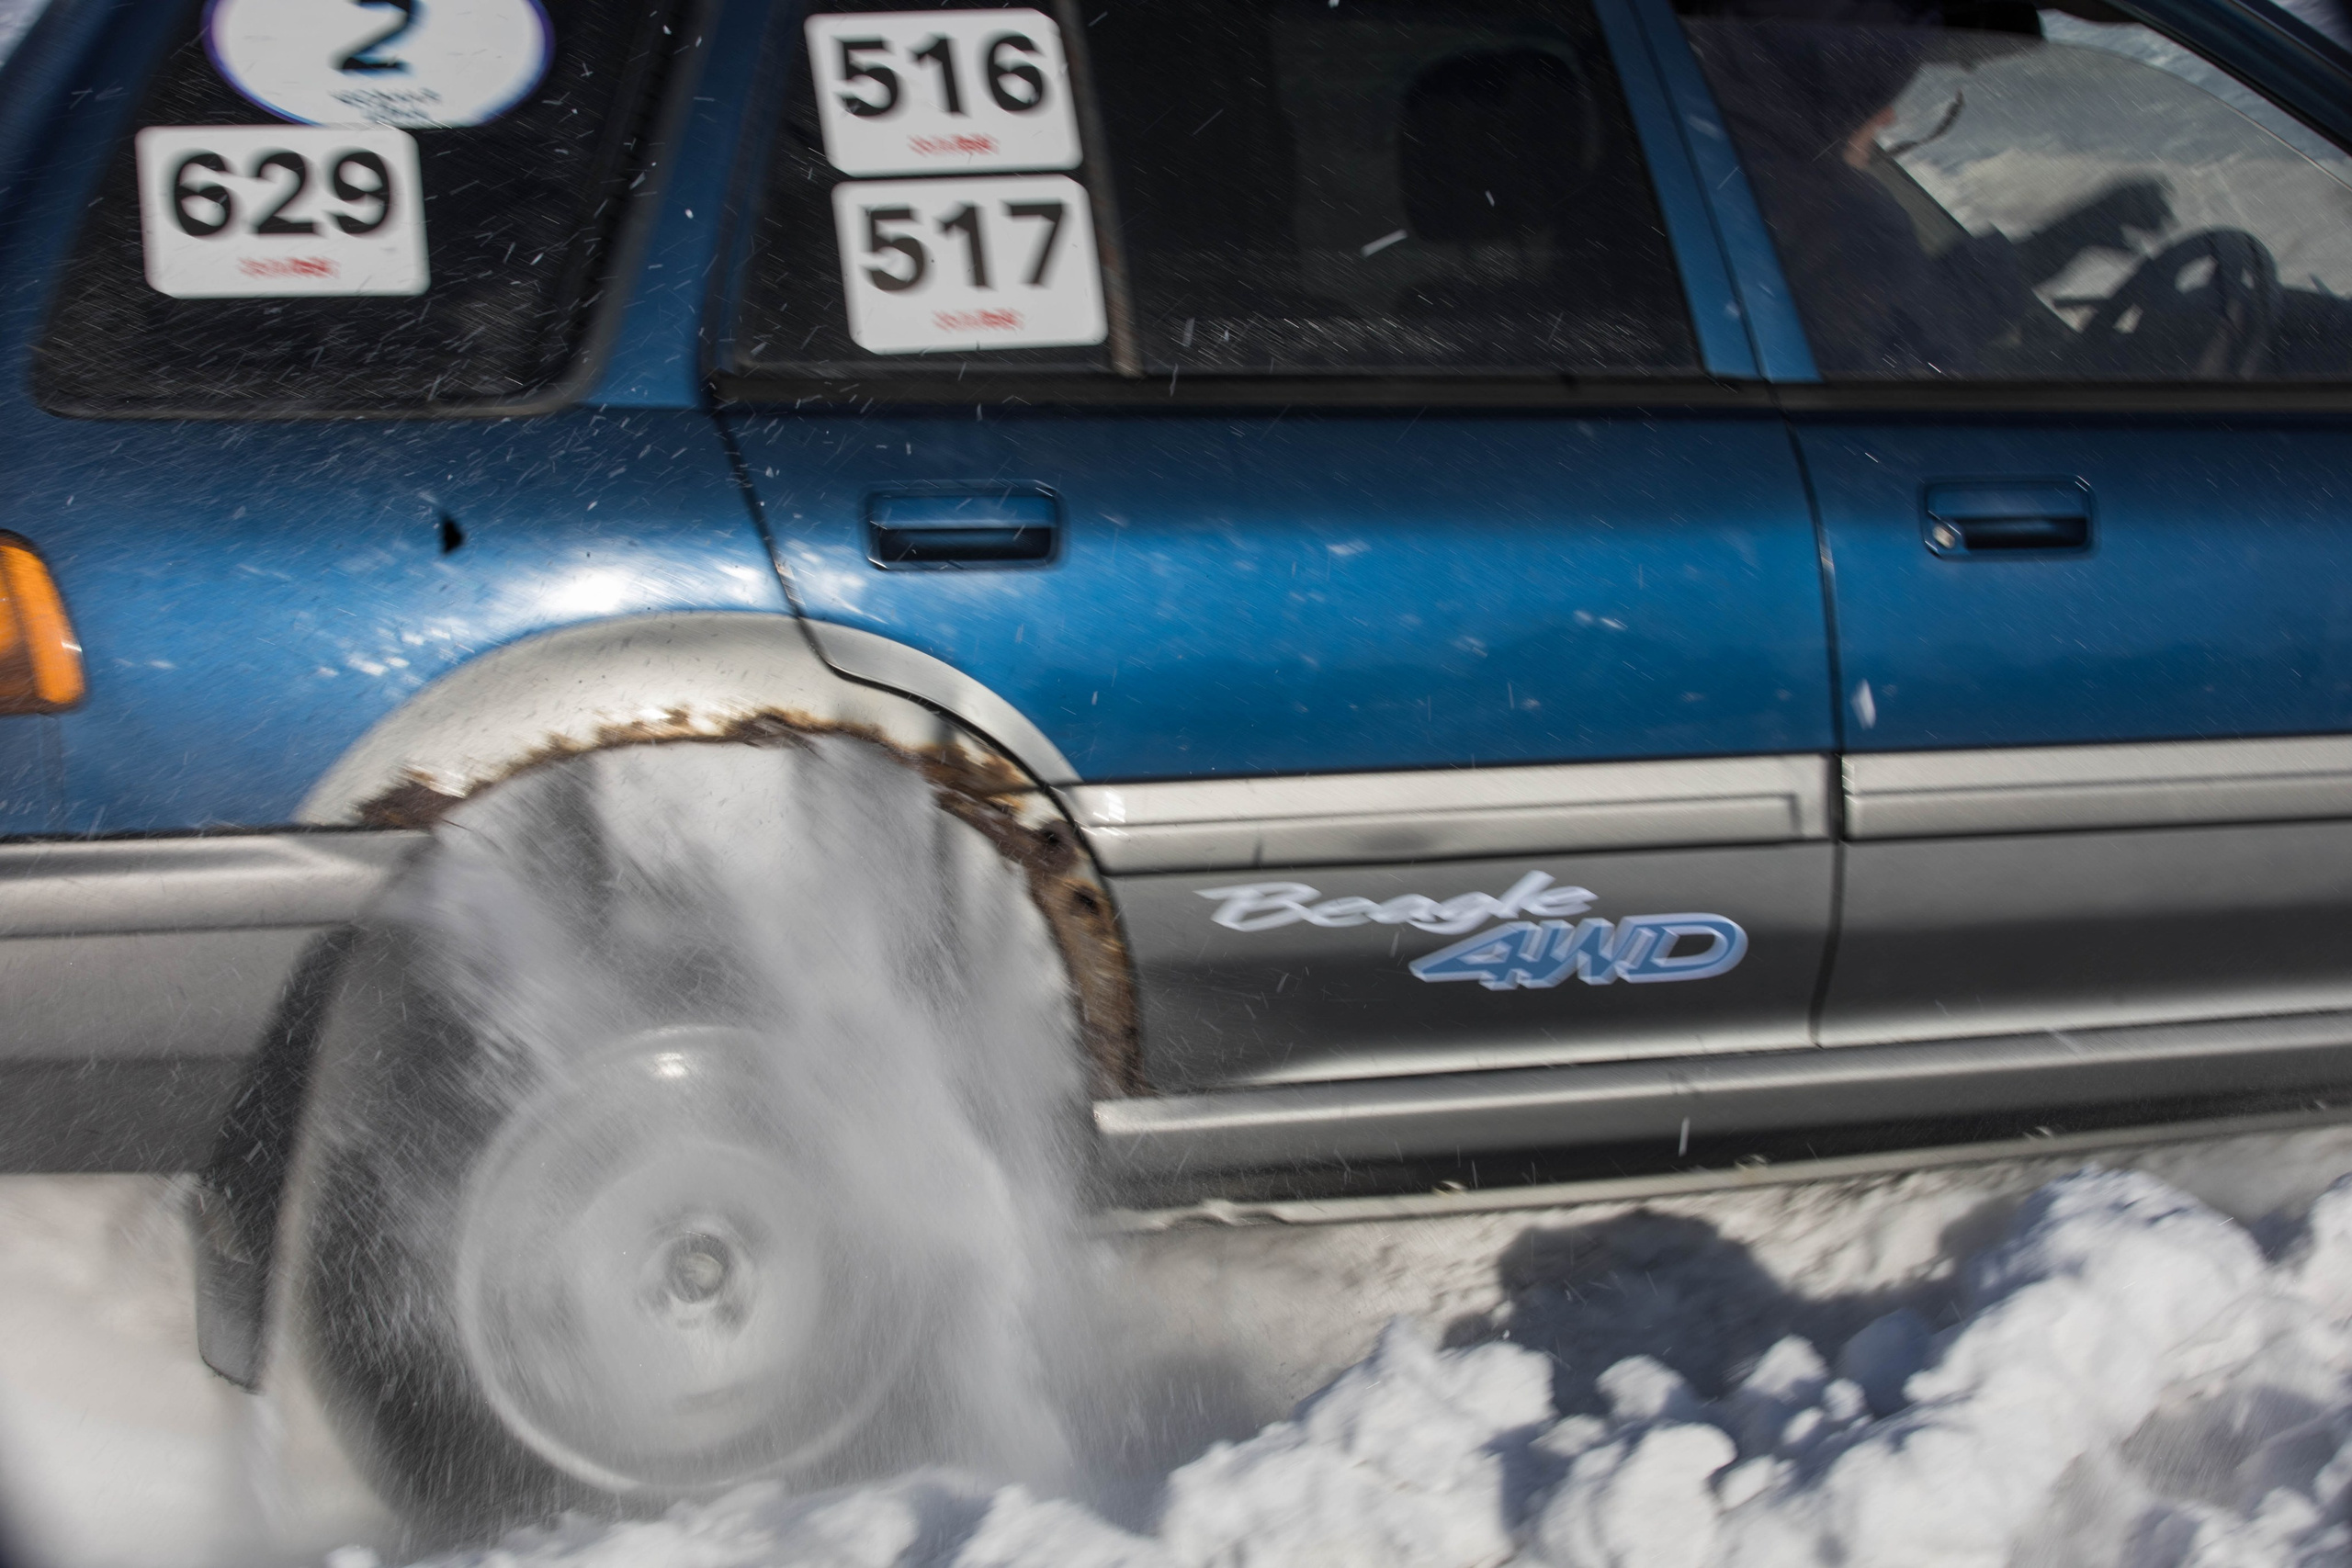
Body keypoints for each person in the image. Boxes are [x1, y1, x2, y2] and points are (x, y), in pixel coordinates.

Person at [1684, 0, 2173, 375]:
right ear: (1835, 81)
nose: (1890, 114)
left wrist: (2063, 240)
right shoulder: (1835, 216)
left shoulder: (1704, 156)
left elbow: (1917, 315)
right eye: (1882, 87)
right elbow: (1923, 366)